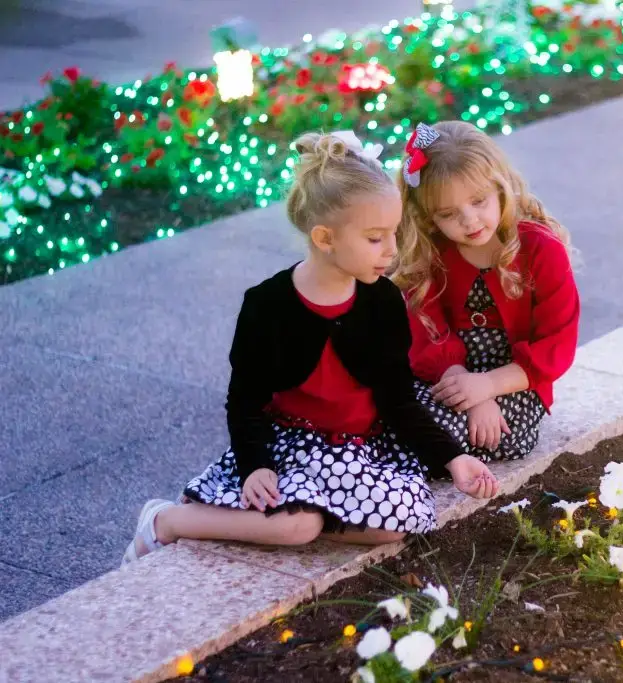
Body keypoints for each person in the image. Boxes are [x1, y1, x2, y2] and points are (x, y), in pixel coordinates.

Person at [123, 131, 499, 565]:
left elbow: (398, 400)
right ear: (325, 239)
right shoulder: (267, 304)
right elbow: (245, 401)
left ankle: (308, 514)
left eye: (394, 233)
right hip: (293, 444)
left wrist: (453, 459)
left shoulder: (382, 301)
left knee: (397, 522)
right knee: (298, 527)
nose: (393, 251)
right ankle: (168, 520)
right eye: (376, 238)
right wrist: (255, 466)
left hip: (357, 449)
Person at [392, 121, 580, 463]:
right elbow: (425, 329)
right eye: (449, 214)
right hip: (447, 375)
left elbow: (557, 344)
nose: (469, 220)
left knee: (448, 432)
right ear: (429, 217)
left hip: (515, 382)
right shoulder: (431, 252)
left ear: (501, 187)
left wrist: (489, 386)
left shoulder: (540, 249)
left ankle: (416, 461)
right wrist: (468, 388)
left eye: (479, 201)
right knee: (389, 408)